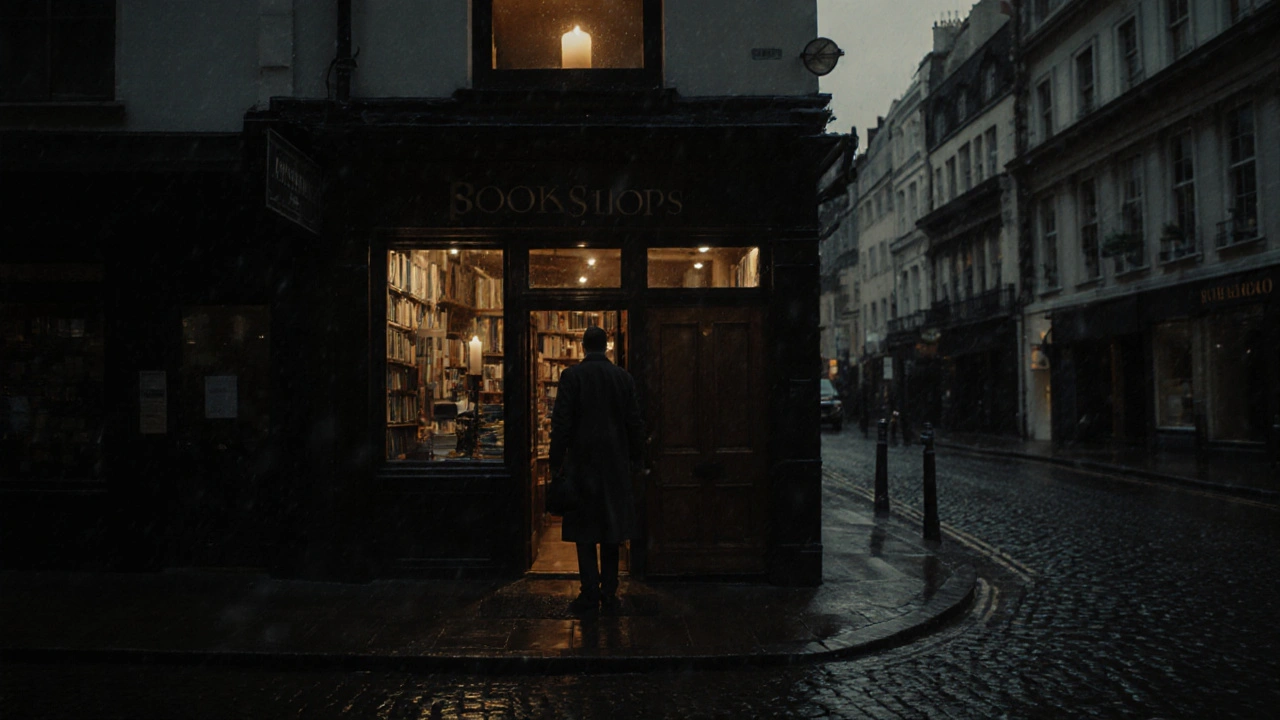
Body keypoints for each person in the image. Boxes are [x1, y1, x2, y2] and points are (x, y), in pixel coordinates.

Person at [549, 326, 644, 616]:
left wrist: (556, 463)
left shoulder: (572, 377)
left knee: (585, 532)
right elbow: (634, 423)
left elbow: (561, 424)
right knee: (611, 531)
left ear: (582, 347)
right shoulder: (623, 378)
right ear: (607, 346)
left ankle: (589, 592)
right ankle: (609, 592)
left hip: (582, 465)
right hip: (614, 465)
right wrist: (637, 460)